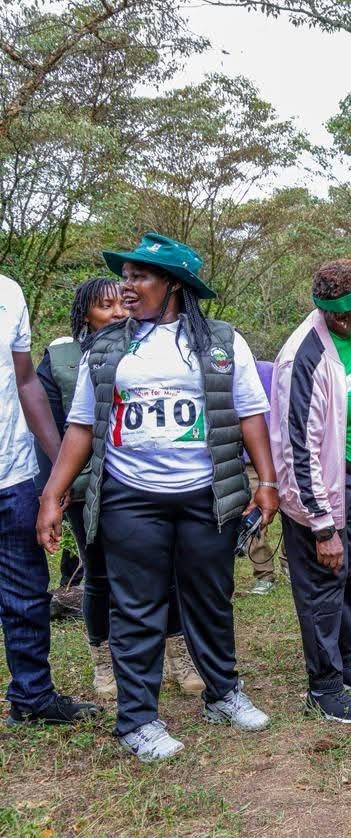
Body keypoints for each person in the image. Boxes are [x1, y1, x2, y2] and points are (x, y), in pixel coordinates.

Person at [36, 233, 276, 761]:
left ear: (174, 285)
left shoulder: (219, 341)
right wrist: (53, 495)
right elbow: (81, 425)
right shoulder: (106, 347)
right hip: (131, 497)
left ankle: (223, 693)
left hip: (207, 495)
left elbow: (250, 413)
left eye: (139, 277)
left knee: (209, 597)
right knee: (137, 606)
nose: (127, 286)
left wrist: (268, 481)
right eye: (125, 276)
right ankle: (138, 720)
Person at [36, 279, 199, 698]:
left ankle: (177, 654)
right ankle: (103, 661)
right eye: (103, 305)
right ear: (84, 313)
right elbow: (55, 427)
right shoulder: (61, 357)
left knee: (165, 571)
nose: (117, 312)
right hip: (88, 486)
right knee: (100, 575)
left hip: (142, 485)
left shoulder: (149, 345)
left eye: (119, 303)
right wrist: (60, 486)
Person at [272, 259, 351, 722]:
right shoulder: (303, 359)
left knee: (348, 576)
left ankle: (344, 664)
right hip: (319, 489)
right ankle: (324, 688)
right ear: (338, 316)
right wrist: (321, 524)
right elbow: (296, 449)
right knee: (323, 583)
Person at [1, 272, 101, 727]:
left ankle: (33, 697)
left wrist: (58, 472)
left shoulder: (9, 292)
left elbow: (25, 382)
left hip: (15, 473)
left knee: (26, 595)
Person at [245, 359, 286, 595]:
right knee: (256, 520)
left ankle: (291, 566)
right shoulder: (225, 374)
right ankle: (264, 574)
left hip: (284, 457)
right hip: (251, 461)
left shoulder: (271, 370)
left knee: (294, 516)